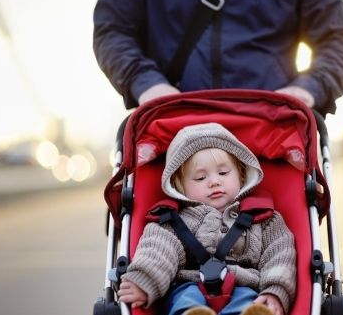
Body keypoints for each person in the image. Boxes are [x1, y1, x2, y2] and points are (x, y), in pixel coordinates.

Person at [93, 0, 343, 116]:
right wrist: (148, 84)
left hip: (271, 126)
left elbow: (337, 40)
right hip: (172, 121)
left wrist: (307, 89)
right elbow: (113, 29)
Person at [117, 123, 296, 315]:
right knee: (185, 299)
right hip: (190, 284)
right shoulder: (173, 221)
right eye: (200, 178)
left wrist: (275, 290)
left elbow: (279, 253)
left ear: (242, 175)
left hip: (244, 284)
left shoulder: (263, 218)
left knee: (247, 300)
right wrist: (145, 280)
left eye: (223, 173)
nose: (214, 181)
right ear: (179, 186)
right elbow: (158, 251)